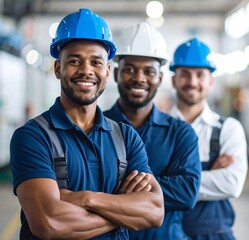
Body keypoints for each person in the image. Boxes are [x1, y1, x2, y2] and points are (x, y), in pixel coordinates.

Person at [9, 9, 164, 240]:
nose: (86, 70)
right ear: (58, 68)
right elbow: (48, 223)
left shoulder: (125, 137)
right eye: (74, 61)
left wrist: (85, 199)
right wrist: (123, 210)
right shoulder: (32, 137)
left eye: (96, 62)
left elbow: (154, 212)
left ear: (107, 71)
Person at [104, 23, 201, 240]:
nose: (139, 78)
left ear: (160, 78)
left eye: (149, 71)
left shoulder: (180, 133)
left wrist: (113, 188)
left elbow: (186, 193)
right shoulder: (94, 127)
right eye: (129, 69)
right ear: (116, 74)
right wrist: (156, 188)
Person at [169, 37, 248, 240]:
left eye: (199, 75)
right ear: (173, 80)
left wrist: (170, 182)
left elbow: (232, 184)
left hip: (215, 234)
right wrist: (210, 176)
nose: (192, 82)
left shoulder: (228, 129)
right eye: (185, 74)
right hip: (166, 233)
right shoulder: (157, 128)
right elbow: (144, 189)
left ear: (211, 81)